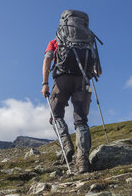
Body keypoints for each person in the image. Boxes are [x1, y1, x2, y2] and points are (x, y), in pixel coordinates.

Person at [41, 10, 99, 173]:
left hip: (62, 80)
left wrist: (45, 83)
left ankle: (66, 145)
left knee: (55, 115)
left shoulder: (56, 41)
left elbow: (47, 59)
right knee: (81, 120)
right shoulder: (88, 40)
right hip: (83, 80)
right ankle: (83, 162)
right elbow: (98, 70)